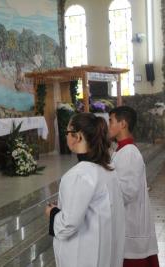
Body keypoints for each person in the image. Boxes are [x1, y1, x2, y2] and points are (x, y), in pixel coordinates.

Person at [45, 113, 125, 267]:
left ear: (78, 137)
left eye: (68, 133)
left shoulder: (79, 175)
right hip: (106, 253)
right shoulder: (107, 169)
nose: (66, 137)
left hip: (84, 256)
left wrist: (52, 213)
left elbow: (67, 226)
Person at [109, 106, 159, 267]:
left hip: (131, 225)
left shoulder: (129, 152)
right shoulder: (122, 150)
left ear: (123, 124)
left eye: (111, 121)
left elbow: (128, 192)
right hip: (127, 222)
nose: (108, 126)